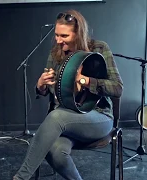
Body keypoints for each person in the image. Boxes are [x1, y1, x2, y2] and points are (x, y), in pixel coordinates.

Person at [13, 9, 123, 180]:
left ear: (78, 34)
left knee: (56, 117)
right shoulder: (55, 53)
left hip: (99, 117)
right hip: (68, 118)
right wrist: (41, 86)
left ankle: (20, 178)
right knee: (55, 151)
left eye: (64, 36)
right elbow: (52, 91)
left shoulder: (99, 48)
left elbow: (117, 88)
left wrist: (85, 80)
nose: (58, 40)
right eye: (57, 35)